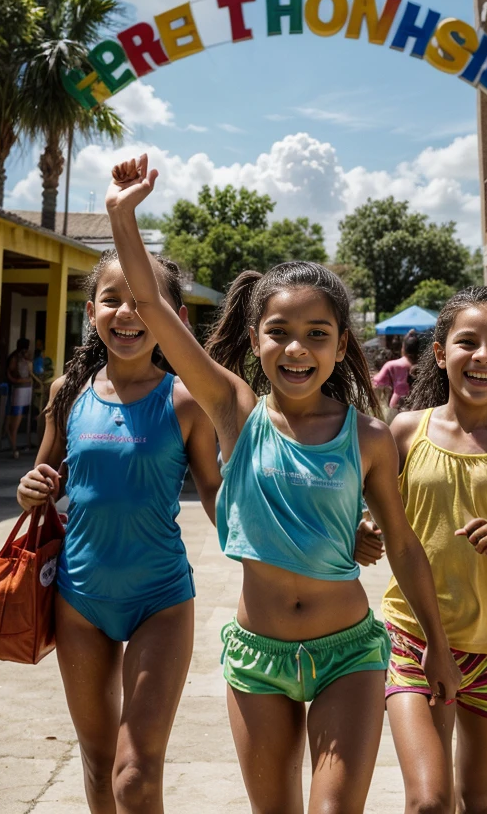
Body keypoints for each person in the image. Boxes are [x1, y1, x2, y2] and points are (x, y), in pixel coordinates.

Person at [105, 155, 460, 814]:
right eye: (281, 334)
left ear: (338, 345)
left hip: (347, 652)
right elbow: (152, 308)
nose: (297, 349)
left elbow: (406, 549)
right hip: (256, 656)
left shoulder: (368, 438)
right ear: (254, 338)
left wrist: (437, 647)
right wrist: (122, 216)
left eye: (316, 335)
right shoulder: (233, 407)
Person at [16, 250, 222, 814]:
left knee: (135, 776)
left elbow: (214, 490)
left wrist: (266, 529)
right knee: (97, 761)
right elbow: (46, 477)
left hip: (161, 599)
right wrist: (31, 487)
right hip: (80, 600)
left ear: (172, 316)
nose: (127, 312)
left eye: (142, 301)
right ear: (91, 311)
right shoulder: (68, 393)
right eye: (113, 299)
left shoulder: (185, 400)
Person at [358, 286, 487, 814]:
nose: (483, 356)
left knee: (477, 801)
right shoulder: (405, 431)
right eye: (468, 342)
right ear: (439, 351)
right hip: (413, 639)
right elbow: (373, 515)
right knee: (429, 801)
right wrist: (364, 532)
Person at [372, 329, 419, 424]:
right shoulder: (421, 366)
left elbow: (376, 383)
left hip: (397, 404)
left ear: (403, 348)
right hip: (418, 405)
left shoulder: (392, 365)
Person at [6, 338, 33, 458]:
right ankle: (14, 446)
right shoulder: (20, 359)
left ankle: (14, 445)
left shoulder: (19, 359)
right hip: (22, 390)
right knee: (15, 420)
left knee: (16, 420)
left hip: (21, 390)